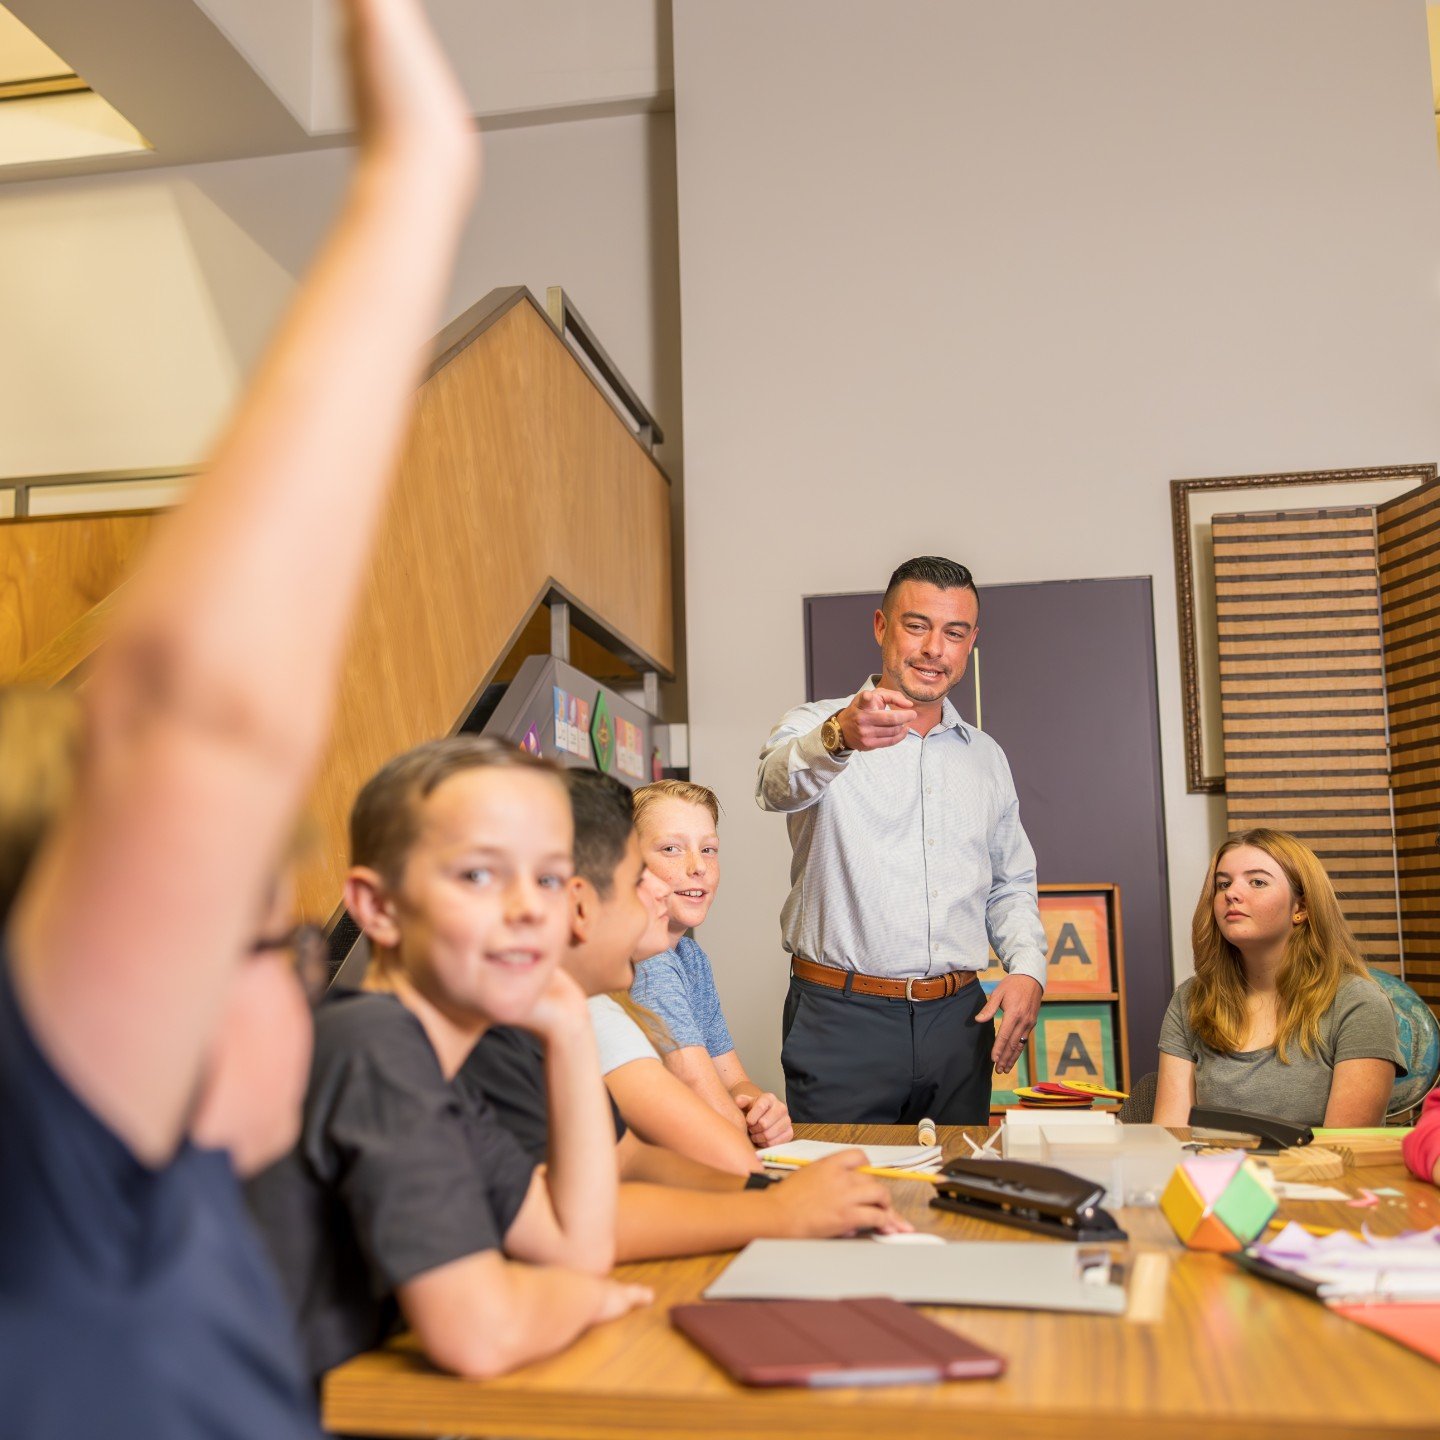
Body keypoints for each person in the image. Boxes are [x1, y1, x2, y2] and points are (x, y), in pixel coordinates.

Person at [0, 1, 476, 1433]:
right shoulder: (66, 1207)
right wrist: (417, 176)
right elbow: (193, 716)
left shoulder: (188, 1205)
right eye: (278, 944)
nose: (311, 989)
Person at [246, 740, 651, 1384]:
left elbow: (577, 1245)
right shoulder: (372, 1048)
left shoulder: (436, 1071)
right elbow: (481, 1333)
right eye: (478, 876)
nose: (529, 908)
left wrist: (571, 1027)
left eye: (548, 879)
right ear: (378, 908)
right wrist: (585, 1300)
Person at [460, 769, 908, 1259]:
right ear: (578, 903)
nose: (658, 891)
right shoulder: (559, 1014)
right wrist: (778, 1209)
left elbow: (627, 1157)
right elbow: (566, 1232)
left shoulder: (566, 1010)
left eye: (708, 849)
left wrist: (776, 1195)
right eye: (637, 877)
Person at [756, 555, 1047, 1125]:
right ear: (881, 627)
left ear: (971, 643)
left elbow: (1010, 882)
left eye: (954, 633)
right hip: (841, 1019)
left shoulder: (986, 758)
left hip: (960, 1023)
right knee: (841, 1180)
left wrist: (1028, 968)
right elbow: (773, 788)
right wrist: (839, 737)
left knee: (956, 1176)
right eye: (917, 626)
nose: (934, 648)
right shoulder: (818, 725)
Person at [1154, 829, 1403, 1129]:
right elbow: (1171, 1136)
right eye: (1223, 884)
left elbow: (1345, 1148)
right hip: (1209, 1161)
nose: (1231, 893)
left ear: (1301, 908)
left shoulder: (1359, 1003)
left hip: (1316, 1163)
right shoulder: (1191, 999)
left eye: (1257, 882)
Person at [630, 780, 793, 1147]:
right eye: (671, 849)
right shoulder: (649, 964)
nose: (698, 866)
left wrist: (761, 1111)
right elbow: (705, 1101)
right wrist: (738, 1123)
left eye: (708, 849)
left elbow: (734, 1081)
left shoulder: (690, 958)